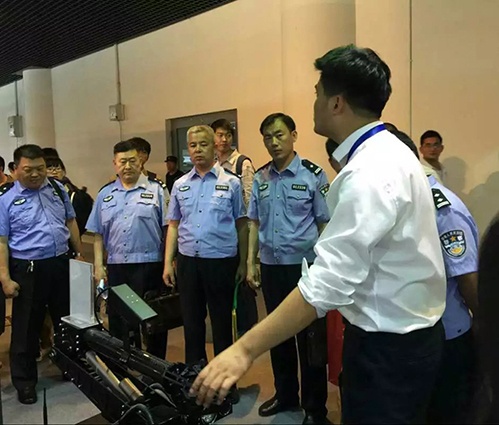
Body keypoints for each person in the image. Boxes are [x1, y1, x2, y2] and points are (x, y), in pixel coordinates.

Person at [190, 45, 447, 425]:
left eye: (317, 93)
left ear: (336, 103)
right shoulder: (391, 151)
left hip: (388, 346)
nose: (314, 102)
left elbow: (327, 284)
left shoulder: (368, 172)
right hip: (407, 336)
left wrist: (243, 350)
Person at [387, 130, 479, 424]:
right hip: (410, 337)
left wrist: (486, 326)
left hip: (447, 337)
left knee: (447, 413)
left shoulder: (443, 209)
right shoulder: (398, 204)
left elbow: (467, 277)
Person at [247, 112, 330, 424]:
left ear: (294, 135)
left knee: (310, 341)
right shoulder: (261, 177)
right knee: (277, 335)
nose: (274, 142)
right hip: (272, 267)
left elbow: (324, 223)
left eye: (279, 135)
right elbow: (254, 223)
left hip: (305, 269)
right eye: (268, 137)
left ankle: (315, 408)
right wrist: (251, 262)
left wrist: (324, 267)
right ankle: (285, 395)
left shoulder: (313, 175)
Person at [163, 125, 247, 403]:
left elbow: (242, 224)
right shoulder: (180, 184)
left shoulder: (231, 182)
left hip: (221, 262)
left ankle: (225, 385)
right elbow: (174, 225)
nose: (197, 150)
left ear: (214, 147)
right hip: (188, 262)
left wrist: (244, 262)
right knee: (192, 325)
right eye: (193, 145)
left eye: (203, 144)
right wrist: (168, 263)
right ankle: (194, 381)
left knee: (222, 327)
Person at [0, 144, 83, 404]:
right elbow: (2, 241)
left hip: (60, 263)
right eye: (28, 169)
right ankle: (25, 382)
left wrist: (80, 255)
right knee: (26, 328)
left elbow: (70, 222)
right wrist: (5, 277)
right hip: (28, 269)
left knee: (68, 321)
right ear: (15, 169)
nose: (36, 174)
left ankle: (72, 369)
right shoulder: (5, 200)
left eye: (41, 168)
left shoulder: (57, 189)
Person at [86, 140, 169, 359]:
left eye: (132, 161)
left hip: (149, 266)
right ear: (115, 164)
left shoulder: (157, 190)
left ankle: (155, 365)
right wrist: (99, 266)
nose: (128, 166)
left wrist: (169, 263)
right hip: (117, 267)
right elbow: (97, 234)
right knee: (120, 322)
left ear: (140, 162)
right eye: (122, 162)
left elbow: (169, 230)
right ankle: (123, 363)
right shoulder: (105, 194)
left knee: (152, 321)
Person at [211, 118, 255, 207]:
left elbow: (250, 199)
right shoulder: (212, 163)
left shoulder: (242, 163)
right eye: (220, 135)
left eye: (228, 135)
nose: (224, 139)